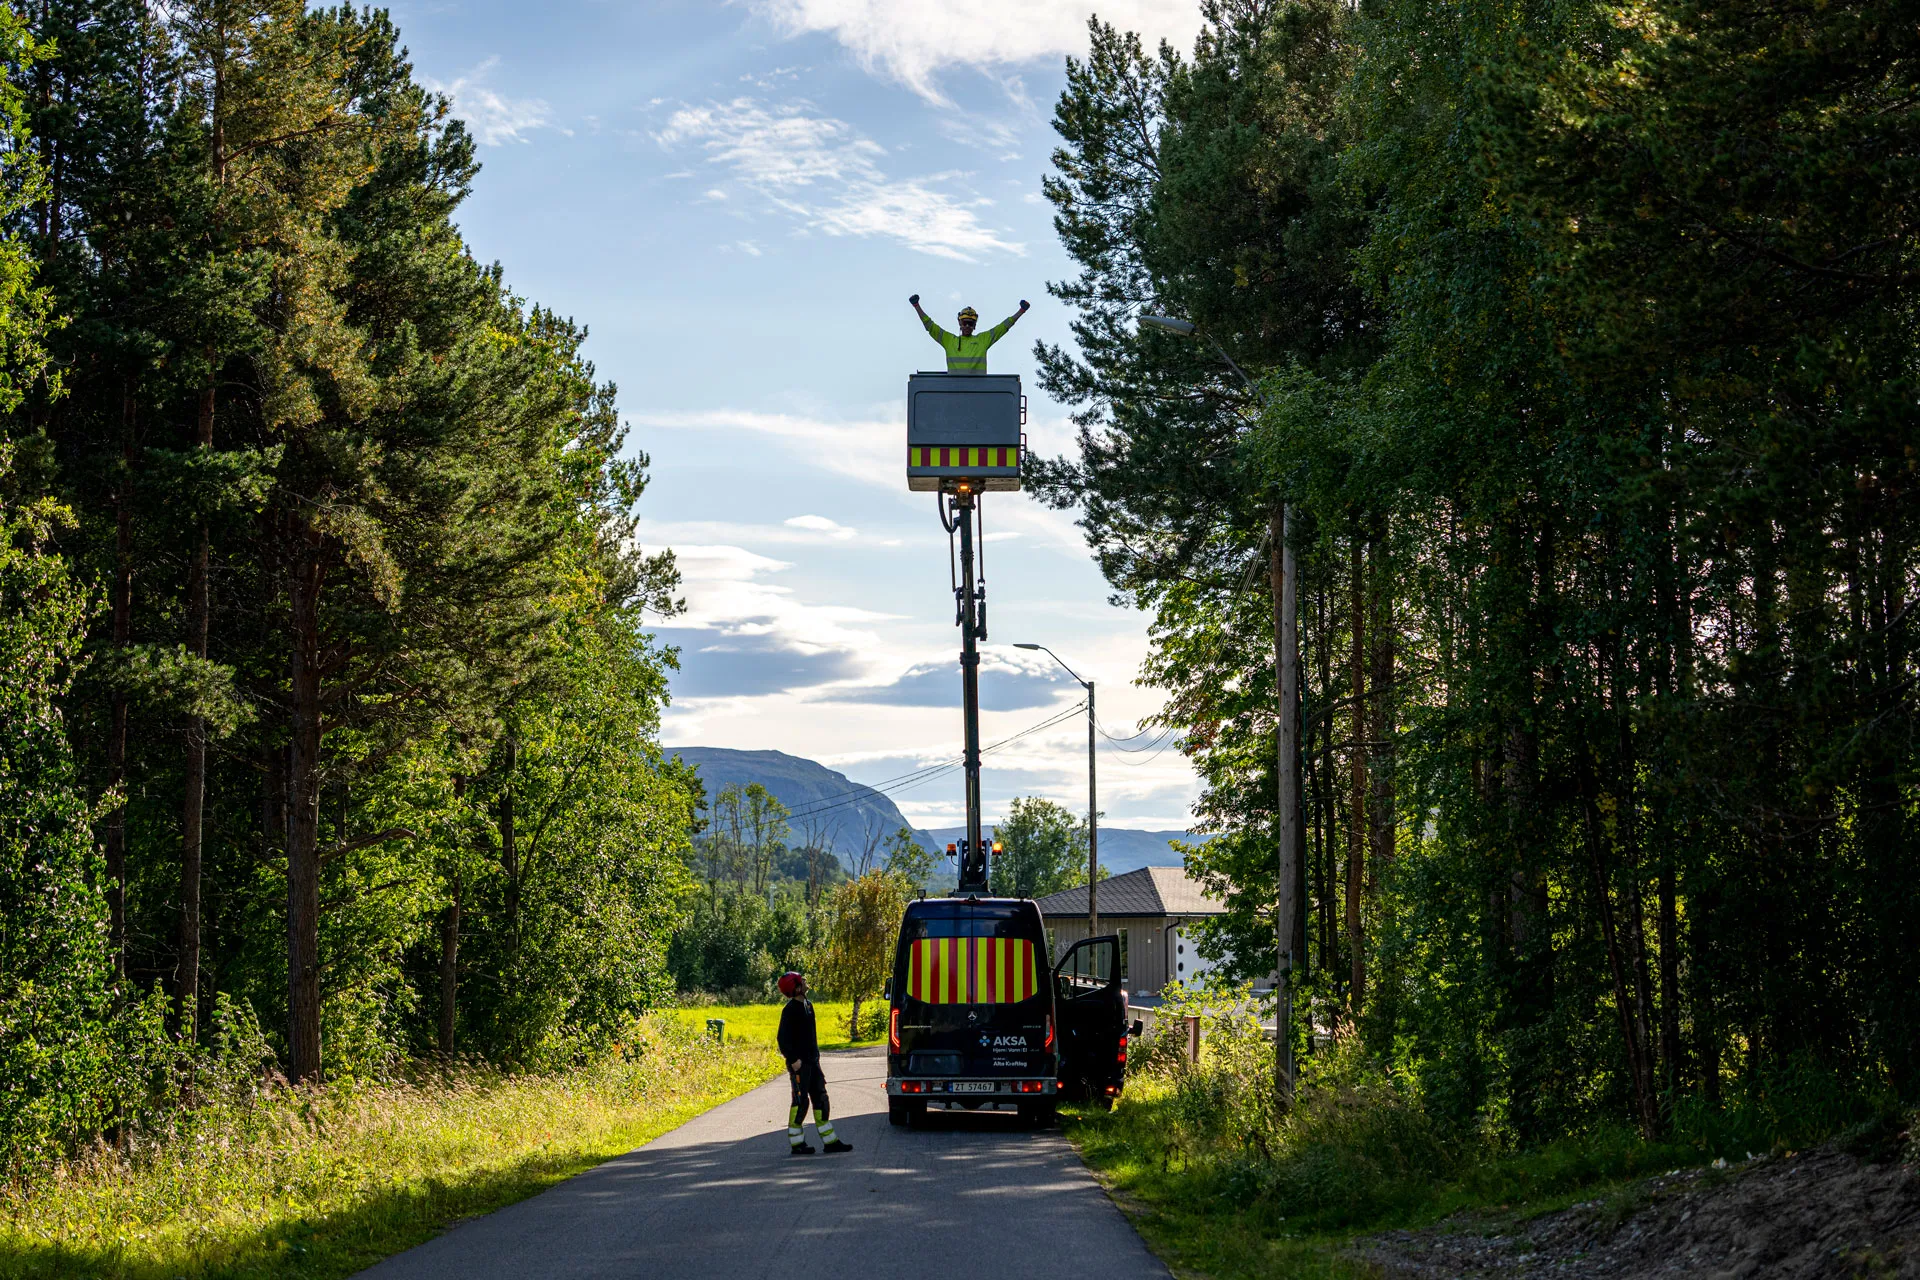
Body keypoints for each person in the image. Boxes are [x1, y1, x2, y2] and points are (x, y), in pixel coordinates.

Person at [776, 971, 851, 1155]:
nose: (805, 982)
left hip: (813, 1063)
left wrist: (815, 1057)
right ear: (796, 988)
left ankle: (830, 1142)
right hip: (800, 1065)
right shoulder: (790, 1010)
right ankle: (797, 1144)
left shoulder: (808, 1006)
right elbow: (782, 1039)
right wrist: (793, 1060)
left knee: (821, 1099)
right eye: (802, 981)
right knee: (800, 1103)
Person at [910, 295, 1029, 373]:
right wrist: (917, 306)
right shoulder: (949, 340)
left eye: (970, 323)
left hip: (978, 390)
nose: (967, 326)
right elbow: (930, 326)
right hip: (954, 389)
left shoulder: (983, 339)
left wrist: (1021, 311)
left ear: (974, 325)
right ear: (960, 323)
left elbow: (1002, 327)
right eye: (965, 323)